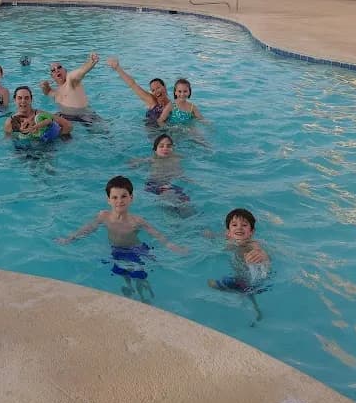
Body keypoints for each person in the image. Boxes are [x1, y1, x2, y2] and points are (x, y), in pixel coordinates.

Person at [57, 175, 185, 301]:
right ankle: (129, 290)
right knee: (123, 274)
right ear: (108, 200)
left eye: (124, 196)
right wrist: (70, 238)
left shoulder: (136, 221)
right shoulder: (104, 216)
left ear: (131, 198)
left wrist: (169, 245)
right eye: (115, 197)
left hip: (136, 250)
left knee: (139, 276)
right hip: (117, 250)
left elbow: (156, 234)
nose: (119, 200)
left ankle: (144, 294)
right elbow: (88, 228)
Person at [206, 208, 270, 321]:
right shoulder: (228, 239)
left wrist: (261, 256)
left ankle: (256, 311)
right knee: (213, 284)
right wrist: (209, 234)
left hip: (248, 279)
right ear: (228, 232)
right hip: (239, 278)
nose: (239, 227)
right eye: (234, 225)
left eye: (244, 225)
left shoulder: (251, 244)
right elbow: (215, 236)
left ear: (251, 232)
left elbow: (259, 251)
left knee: (214, 284)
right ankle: (248, 304)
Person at [106, 57, 171, 123]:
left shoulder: (173, 105)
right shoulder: (152, 101)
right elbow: (133, 85)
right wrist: (117, 68)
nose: (156, 92)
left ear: (164, 86)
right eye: (153, 90)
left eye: (158, 88)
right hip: (152, 130)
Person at [143, 134, 193, 217]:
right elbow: (136, 163)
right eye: (161, 146)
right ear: (155, 150)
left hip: (172, 186)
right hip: (155, 185)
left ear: (173, 149)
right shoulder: (152, 159)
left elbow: (181, 174)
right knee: (171, 201)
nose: (165, 148)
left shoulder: (177, 158)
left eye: (168, 146)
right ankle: (172, 221)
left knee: (186, 205)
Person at [40, 52, 99, 121]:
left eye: (59, 67)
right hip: (66, 117)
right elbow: (47, 92)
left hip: (85, 116)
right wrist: (44, 85)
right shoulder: (55, 93)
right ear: (52, 76)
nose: (57, 70)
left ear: (65, 71)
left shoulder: (70, 81)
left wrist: (91, 62)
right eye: (53, 70)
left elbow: (81, 71)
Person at [3, 86, 72, 137]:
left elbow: (68, 125)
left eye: (26, 98)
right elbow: (8, 140)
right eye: (19, 98)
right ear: (15, 100)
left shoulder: (40, 115)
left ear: (31, 99)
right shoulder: (10, 122)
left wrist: (53, 136)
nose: (23, 101)